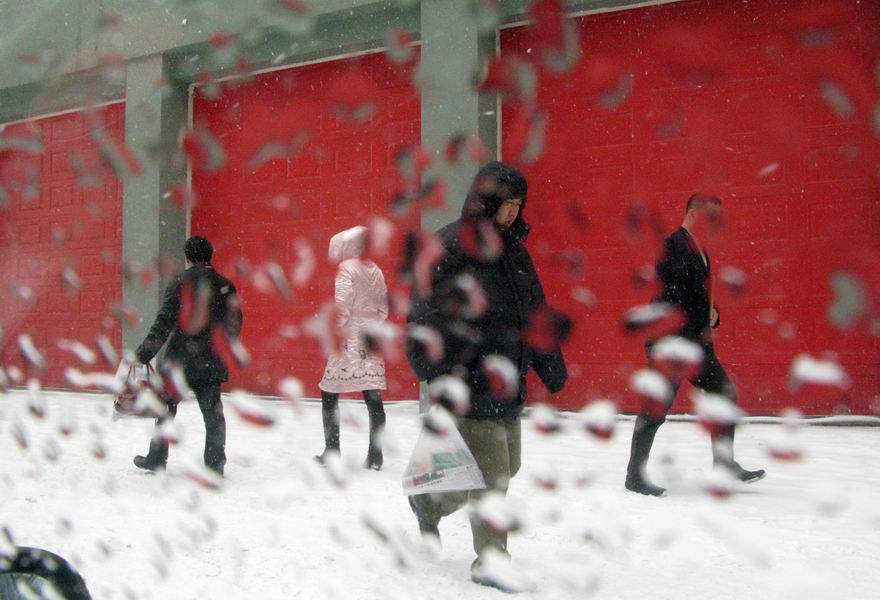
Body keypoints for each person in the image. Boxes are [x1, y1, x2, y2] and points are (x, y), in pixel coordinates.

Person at [405, 161, 568, 589]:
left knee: (506, 466)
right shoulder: (450, 248)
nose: (513, 214)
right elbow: (424, 312)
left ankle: (428, 504)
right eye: (506, 204)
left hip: (508, 381)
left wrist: (550, 362)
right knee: (492, 474)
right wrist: (434, 367)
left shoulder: (515, 250)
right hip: (468, 381)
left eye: (519, 205)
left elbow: (535, 309)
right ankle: (491, 559)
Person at [625, 194, 765, 497]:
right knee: (656, 409)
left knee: (724, 392)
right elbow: (669, 296)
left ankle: (725, 464)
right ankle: (634, 476)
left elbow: (695, 297)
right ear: (692, 214)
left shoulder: (701, 249)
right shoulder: (674, 245)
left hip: (695, 344)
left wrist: (711, 316)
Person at [133, 236, 242, 477]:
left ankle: (156, 458)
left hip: (179, 361)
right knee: (213, 416)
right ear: (209, 256)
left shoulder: (180, 282)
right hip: (211, 360)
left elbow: (164, 321)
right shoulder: (225, 285)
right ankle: (214, 465)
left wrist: (145, 353)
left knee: (165, 411)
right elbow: (234, 324)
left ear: (188, 257)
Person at [314, 226, 389, 471]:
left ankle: (332, 449)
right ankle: (375, 456)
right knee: (373, 397)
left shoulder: (345, 268)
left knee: (329, 393)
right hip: (371, 338)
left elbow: (342, 306)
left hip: (349, 337)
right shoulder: (376, 269)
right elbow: (383, 309)